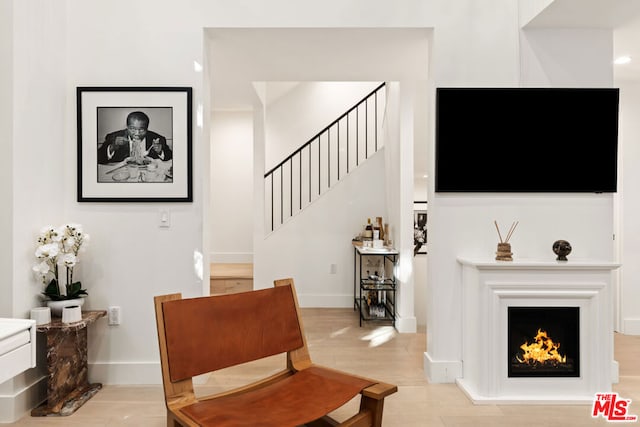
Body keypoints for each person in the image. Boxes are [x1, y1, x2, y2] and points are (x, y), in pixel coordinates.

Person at [97, 111, 172, 164]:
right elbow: (98, 158)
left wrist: (160, 152)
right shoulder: (113, 137)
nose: (137, 133)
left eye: (141, 129)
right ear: (127, 127)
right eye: (132, 128)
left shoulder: (157, 139)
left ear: (147, 129)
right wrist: (112, 147)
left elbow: (170, 156)